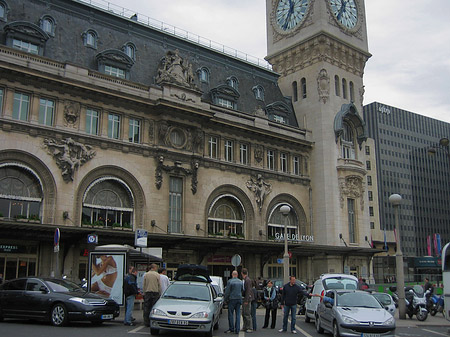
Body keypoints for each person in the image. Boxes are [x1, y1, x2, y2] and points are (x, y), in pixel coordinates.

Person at [241, 268, 254, 333]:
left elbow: (248, 290)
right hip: (245, 298)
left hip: (247, 299)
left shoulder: (247, 280)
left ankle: (249, 327)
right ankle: (245, 326)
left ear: (242, 273)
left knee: (247, 313)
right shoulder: (245, 280)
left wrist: (246, 300)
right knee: (244, 313)